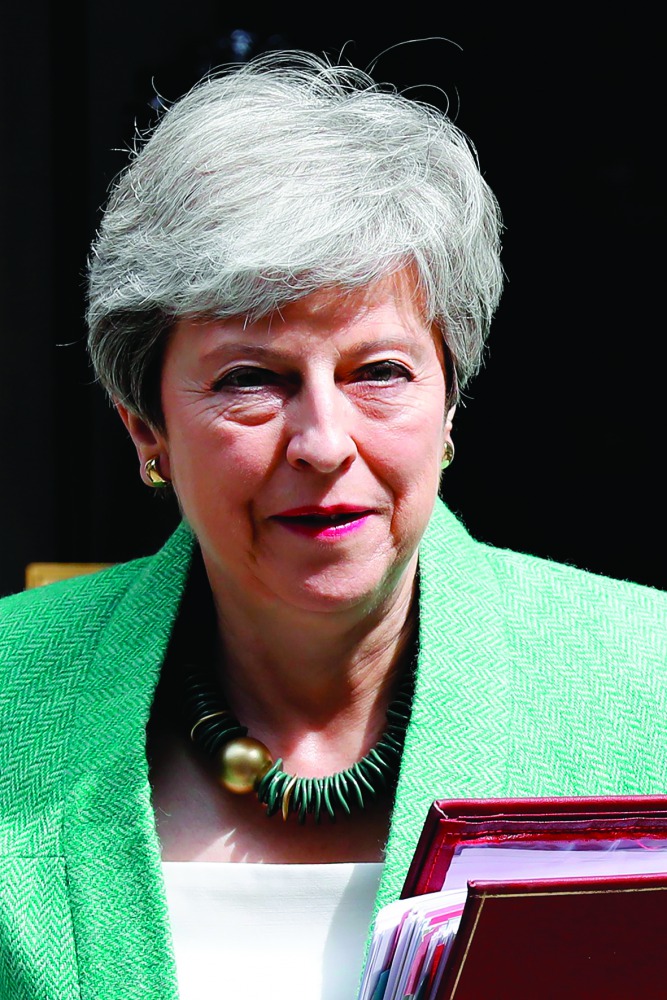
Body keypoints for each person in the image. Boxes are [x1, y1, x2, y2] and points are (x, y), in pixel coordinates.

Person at [0, 50, 665, 1000]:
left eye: (379, 372)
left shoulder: (645, 683)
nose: (322, 442)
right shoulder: (12, 690)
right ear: (146, 428)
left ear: (448, 402)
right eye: (251, 379)